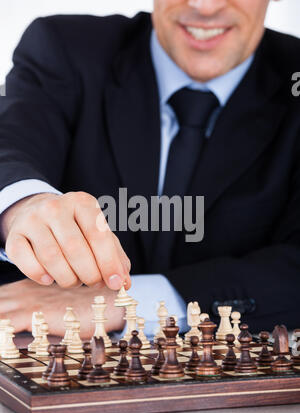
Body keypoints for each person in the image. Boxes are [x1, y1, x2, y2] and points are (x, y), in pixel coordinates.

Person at [0, 0, 299, 338]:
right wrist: (22, 205)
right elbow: (10, 141)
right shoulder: (63, 48)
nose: (205, 6)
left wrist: (126, 302)